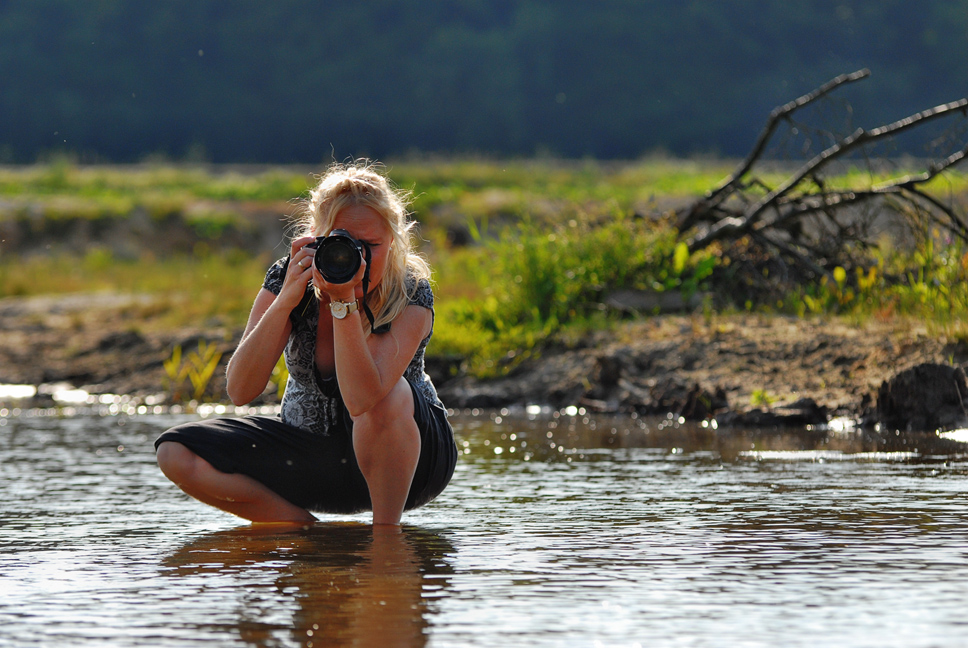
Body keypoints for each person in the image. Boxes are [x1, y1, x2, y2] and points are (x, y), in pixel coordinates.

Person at [155, 160, 458, 526]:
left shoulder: (409, 289)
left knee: (388, 395)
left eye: (371, 245)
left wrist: (345, 303)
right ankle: (304, 535)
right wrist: (286, 300)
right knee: (176, 452)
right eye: (343, 244)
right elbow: (240, 389)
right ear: (316, 236)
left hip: (413, 463)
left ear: (393, 240)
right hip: (313, 454)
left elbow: (363, 399)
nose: (356, 257)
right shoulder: (289, 276)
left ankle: (386, 542)